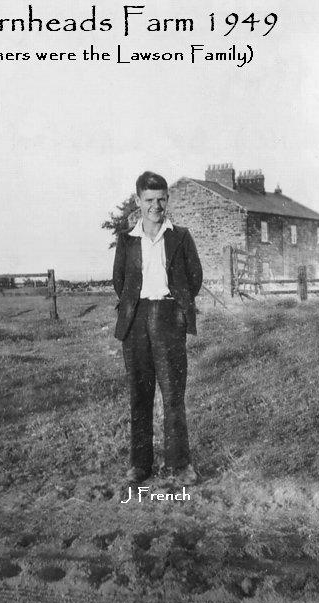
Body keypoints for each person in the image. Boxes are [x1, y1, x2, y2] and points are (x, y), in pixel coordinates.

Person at [113, 171, 203, 484]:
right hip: (136, 321)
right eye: (149, 199)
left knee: (173, 395)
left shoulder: (180, 236)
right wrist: (137, 306)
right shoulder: (127, 239)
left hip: (169, 318)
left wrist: (176, 307)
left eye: (161, 199)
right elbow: (120, 281)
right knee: (140, 395)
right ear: (138, 201)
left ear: (167, 199)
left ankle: (179, 465)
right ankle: (140, 466)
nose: (156, 206)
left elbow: (195, 278)